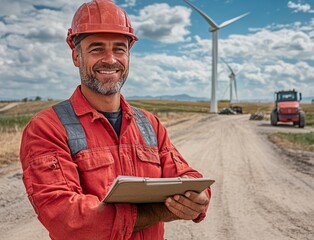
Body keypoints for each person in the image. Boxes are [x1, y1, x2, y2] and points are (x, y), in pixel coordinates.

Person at [20, 0, 211, 239]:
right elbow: (69, 220)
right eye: (97, 48)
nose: (110, 59)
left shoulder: (149, 124)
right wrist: (161, 211)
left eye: (119, 49)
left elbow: (190, 178)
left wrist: (199, 198)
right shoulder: (47, 128)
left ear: (129, 55)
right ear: (76, 56)